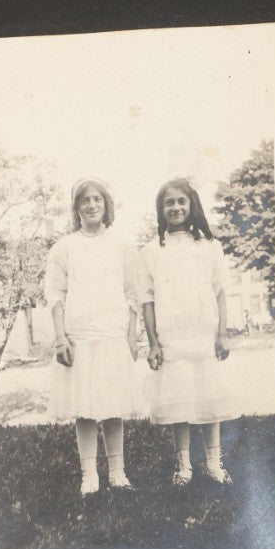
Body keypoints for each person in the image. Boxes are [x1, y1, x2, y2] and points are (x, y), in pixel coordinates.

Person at [44, 177, 144, 496]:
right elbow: (55, 294)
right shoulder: (65, 247)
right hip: (79, 337)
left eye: (97, 199)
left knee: (113, 406)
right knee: (84, 409)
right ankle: (90, 475)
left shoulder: (123, 246)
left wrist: (131, 334)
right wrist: (61, 338)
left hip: (113, 335)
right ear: (76, 208)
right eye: (85, 200)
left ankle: (117, 472)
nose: (91, 205)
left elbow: (133, 294)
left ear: (106, 205)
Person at [140, 178, 241, 486]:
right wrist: (153, 343)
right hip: (172, 336)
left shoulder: (210, 247)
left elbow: (220, 291)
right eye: (169, 203)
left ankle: (213, 463)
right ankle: (183, 466)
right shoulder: (151, 251)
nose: (176, 207)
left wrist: (221, 333)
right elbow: (147, 300)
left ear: (192, 205)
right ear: (161, 210)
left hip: (203, 333)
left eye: (181, 201)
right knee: (178, 400)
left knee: (210, 398)